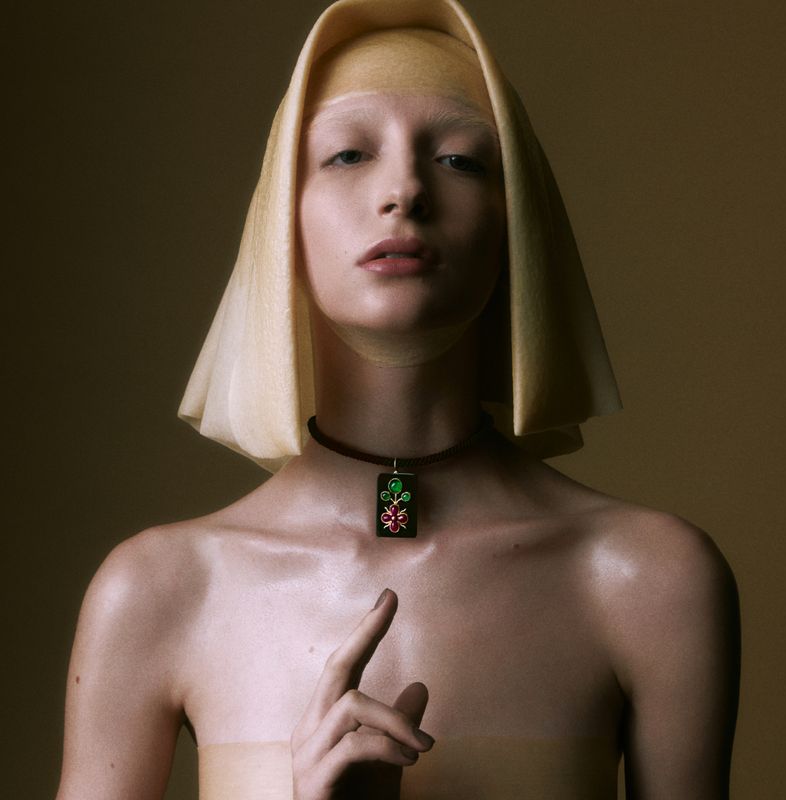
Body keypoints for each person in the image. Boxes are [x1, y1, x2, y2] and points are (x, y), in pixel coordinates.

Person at [56, 0, 740, 797]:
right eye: (347, 154)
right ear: (282, 220)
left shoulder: (649, 581)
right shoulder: (159, 591)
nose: (405, 190)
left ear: (517, 223)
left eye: (459, 160)